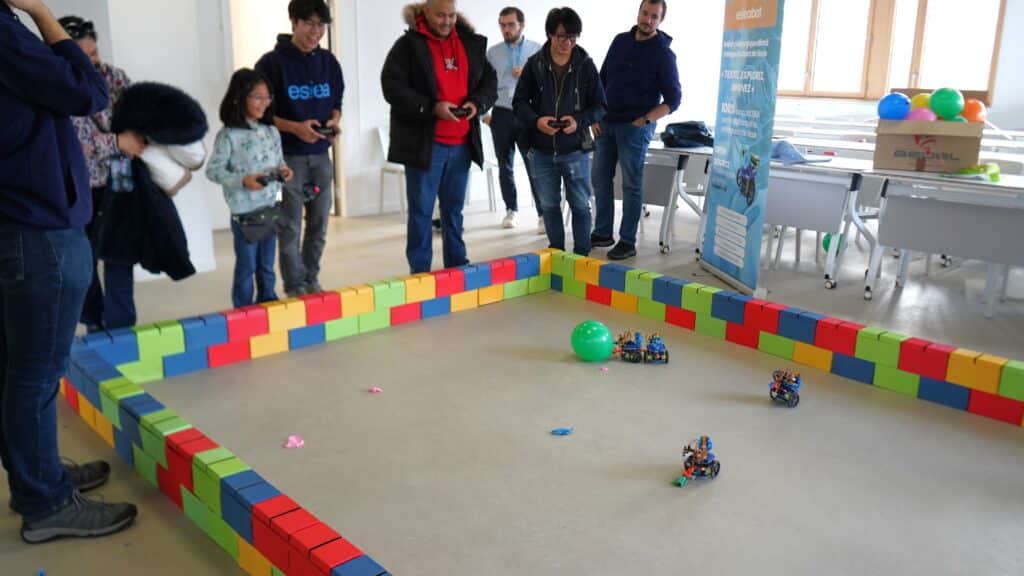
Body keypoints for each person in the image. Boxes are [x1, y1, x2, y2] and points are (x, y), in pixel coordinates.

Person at [0, 0, 137, 543]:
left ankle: (39, 479)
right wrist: (42, 12)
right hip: (37, 228)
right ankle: (47, 501)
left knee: (18, 369)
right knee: (32, 375)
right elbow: (88, 92)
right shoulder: (6, 32)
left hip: (24, 221)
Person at [381, 0, 497, 273]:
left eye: (451, 15)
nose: (446, 21)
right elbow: (392, 87)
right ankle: (420, 271)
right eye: (440, 15)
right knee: (421, 212)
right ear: (425, 13)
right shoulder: (407, 46)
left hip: (462, 144)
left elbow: (489, 84)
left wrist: (476, 105)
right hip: (426, 145)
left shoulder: (471, 43)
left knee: (453, 211)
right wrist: (431, 107)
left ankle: (456, 265)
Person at [61, 16, 146, 333]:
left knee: (121, 252)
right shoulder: (56, 87)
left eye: (94, 53)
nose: (93, 62)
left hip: (120, 179)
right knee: (84, 260)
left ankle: (123, 326)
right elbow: (74, 143)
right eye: (84, 56)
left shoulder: (114, 77)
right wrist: (117, 141)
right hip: (80, 187)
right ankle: (95, 321)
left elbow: (140, 111)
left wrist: (142, 135)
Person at [255, 0, 344, 297]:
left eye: (321, 25)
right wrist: (296, 127)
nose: (315, 31)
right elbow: (262, 115)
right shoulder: (270, 64)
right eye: (309, 23)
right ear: (293, 21)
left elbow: (336, 104)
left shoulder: (329, 62)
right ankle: (295, 286)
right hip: (287, 159)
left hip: (321, 157)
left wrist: (333, 122)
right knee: (290, 226)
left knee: (319, 224)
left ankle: (311, 279)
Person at [590, 0, 681, 260]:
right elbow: (601, 79)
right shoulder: (620, 41)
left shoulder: (663, 54)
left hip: (634, 127)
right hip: (606, 122)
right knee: (599, 178)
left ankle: (627, 241)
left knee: (631, 184)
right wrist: (595, 114)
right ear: (638, 13)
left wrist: (645, 119)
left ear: (660, 21)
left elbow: (673, 99)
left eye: (654, 16)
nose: (648, 20)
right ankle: (603, 232)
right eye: (645, 13)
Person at [513, 7, 605, 257]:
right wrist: (536, 121)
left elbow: (600, 106)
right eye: (562, 36)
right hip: (541, 150)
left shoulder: (586, 65)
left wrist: (579, 121)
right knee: (550, 205)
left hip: (575, 149)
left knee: (580, 206)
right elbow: (518, 103)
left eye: (574, 37)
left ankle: (582, 256)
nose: (568, 42)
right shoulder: (535, 65)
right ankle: (556, 254)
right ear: (550, 35)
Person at [206, 69, 294, 308]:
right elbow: (213, 171)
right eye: (257, 96)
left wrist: (284, 171)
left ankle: (268, 302)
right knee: (247, 265)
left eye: (267, 97)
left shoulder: (271, 131)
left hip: (272, 205)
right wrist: (243, 180)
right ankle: (243, 309)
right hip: (245, 213)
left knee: (267, 264)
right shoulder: (228, 136)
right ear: (240, 97)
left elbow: (279, 162)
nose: (263, 103)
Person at [484, 6, 541, 232]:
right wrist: (484, 115)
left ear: (521, 25)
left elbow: (545, 85)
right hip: (501, 114)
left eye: (510, 25)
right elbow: (484, 85)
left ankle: (542, 214)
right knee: (504, 165)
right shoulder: (492, 53)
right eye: (502, 25)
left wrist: (527, 73)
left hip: (527, 114)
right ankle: (511, 210)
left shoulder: (537, 49)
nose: (506, 29)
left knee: (534, 165)